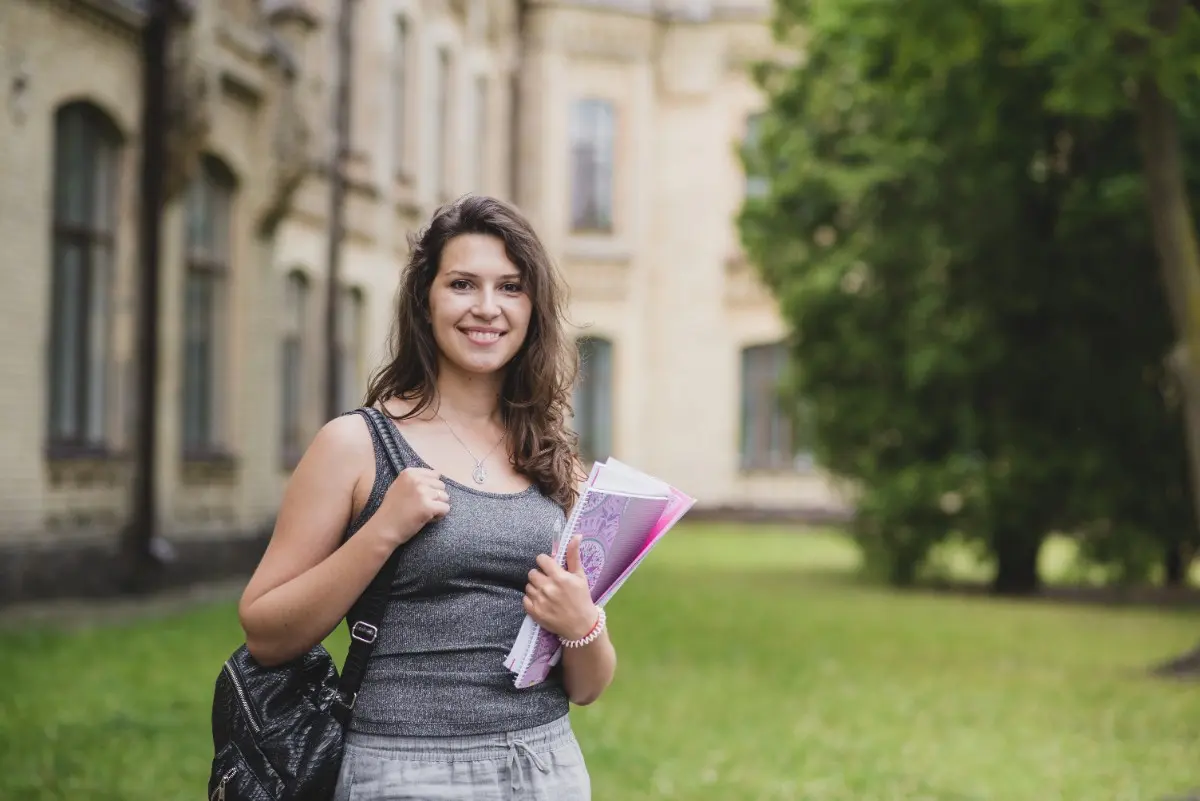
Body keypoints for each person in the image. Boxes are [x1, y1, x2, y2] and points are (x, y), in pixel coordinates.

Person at [236, 195, 616, 800]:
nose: (486, 308)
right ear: (426, 300)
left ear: (532, 308)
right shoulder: (357, 445)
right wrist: (382, 530)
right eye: (463, 284)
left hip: (545, 766)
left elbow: (589, 686)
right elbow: (265, 632)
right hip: (405, 770)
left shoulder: (554, 458)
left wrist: (582, 627)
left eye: (510, 287)